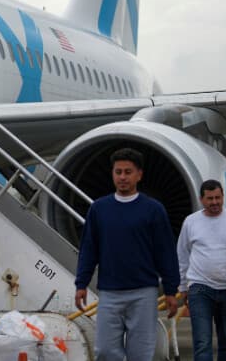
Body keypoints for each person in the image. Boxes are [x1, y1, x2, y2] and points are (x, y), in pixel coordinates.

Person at [74, 147, 179, 361]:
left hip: (143, 293)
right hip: (109, 293)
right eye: (118, 172)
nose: (122, 177)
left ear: (139, 175)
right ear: (112, 174)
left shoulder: (153, 210)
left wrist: (170, 290)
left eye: (128, 172)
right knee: (104, 350)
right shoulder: (99, 209)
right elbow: (89, 250)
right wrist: (81, 284)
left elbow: (165, 252)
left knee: (140, 354)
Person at [177, 179, 226, 361]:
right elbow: (182, 255)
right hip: (199, 288)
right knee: (202, 342)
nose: (215, 203)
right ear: (201, 199)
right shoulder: (191, 222)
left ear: (223, 197)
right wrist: (182, 287)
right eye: (210, 199)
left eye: (218, 198)